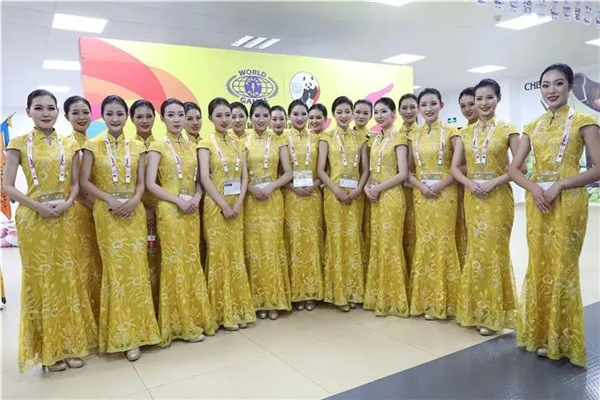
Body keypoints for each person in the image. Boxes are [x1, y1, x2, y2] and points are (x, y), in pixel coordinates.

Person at [508, 63, 600, 367]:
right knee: (539, 264)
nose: (551, 90)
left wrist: (561, 183)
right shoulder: (532, 126)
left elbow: (598, 168)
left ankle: (561, 339)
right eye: (545, 85)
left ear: (570, 87)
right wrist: (534, 189)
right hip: (538, 203)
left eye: (558, 84)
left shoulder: (585, 122)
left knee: (562, 266)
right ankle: (539, 334)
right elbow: (514, 169)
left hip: (568, 201)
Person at [4, 89, 98, 372]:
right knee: (42, 283)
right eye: (39, 108)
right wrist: (37, 206)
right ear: (28, 111)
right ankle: (49, 352)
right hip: (34, 219)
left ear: (58, 112)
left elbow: (75, 184)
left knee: (68, 279)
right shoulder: (18, 144)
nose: (45, 113)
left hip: (65, 217)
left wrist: (68, 202)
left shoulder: (69, 144)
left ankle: (70, 345)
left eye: (50, 108)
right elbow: (7, 186)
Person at [80, 95, 159, 362]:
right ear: (102, 116)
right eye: (110, 114)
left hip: (134, 213)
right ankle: (123, 336)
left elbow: (141, 182)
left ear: (127, 117)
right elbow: (84, 182)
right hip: (108, 213)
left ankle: (144, 332)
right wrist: (109, 200)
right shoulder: (92, 145)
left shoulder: (138, 147)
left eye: (120, 114)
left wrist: (136, 200)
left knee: (137, 270)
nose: (115, 119)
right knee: (116, 272)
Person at [451, 79, 520, 336]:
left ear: (498, 98)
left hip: (498, 197)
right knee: (477, 252)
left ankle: (494, 314)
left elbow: (520, 168)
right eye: (479, 99)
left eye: (489, 98)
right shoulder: (464, 134)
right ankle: (476, 310)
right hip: (474, 198)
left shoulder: (508, 130)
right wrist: (470, 184)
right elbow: (455, 168)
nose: (483, 103)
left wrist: (494, 182)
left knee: (494, 252)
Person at [146, 98, 216, 345]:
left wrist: (196, 197)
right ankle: (178, 324)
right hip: (170, 209)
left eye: (180, 115)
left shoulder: (192, 146)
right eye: (171, 115)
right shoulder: (156, 146)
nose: (176, 120)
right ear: (162, 118)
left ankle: (197, 317)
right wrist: (177, 200)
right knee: (174, 263)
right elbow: (151, 184)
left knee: (191, 261)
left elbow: (200, 180)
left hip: (191, 209)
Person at [198, 97, 255, 330]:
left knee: (235, 255)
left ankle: (239, 309)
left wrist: (239, 202)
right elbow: (205, 178)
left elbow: (244, 177)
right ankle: (221, 313)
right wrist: (223, 205)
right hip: (216, 206)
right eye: (219, 115)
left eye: (227, 115)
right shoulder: (204, 144)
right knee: (219, 255)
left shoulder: (239, 144)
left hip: (236, 205)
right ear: (210, 118)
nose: (224, 120)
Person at [407, 88, 461, 320]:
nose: (428, 109)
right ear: (419, 108)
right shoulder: (413, 136)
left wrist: (440, 185)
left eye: (433, 104)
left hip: (445, 194)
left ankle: (449, 302)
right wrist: (421, 187)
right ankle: (427, 300)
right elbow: (408, 171)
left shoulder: (452, 133)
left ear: (441, 105)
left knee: (444, 242)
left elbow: (460, 167)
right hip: (421, 195)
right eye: (424, 105)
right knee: (426, 242)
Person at [317, 96, 369, 312]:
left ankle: (354, 291)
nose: (344, 116)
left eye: (348, 111)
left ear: (353, 113)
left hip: (356, 195)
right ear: (333, 114)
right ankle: (338, 293)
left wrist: (358, 189)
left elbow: (365, 169)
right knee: (336, 239)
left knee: (353, 238)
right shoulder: (326, 138)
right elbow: (321, 170)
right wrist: (336, 190)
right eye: (339, 112)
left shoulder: (362, 138)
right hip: (334, 195)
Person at [244, 100, 293, 320]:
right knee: (255, 249)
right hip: (251, 200)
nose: (262, 120)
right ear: (251, 118)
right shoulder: (241, 142)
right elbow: (239, 174)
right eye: (257, 116)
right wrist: (251, 189)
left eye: (265, 116)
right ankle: (257, 301)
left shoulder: (279, 141)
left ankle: (274, 300)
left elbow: (288, 173)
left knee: (272, 247)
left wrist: (272, 186)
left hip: (273, 199)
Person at [363, 97, 409, 317]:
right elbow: (372, 170)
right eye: (377, 112)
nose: (379, 116)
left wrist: (379, 188)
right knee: (379, 244)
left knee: (391, 244)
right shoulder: (375, 139)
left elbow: (403, 173)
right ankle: (378, 296)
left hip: (391, 196)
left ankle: (394, 300)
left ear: (393, 115)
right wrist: (367, 187)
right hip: (375, 196)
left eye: (384, 111)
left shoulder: (399, 137)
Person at [63, 95, 103, 322]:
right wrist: (94, 206)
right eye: (75, 113)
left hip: (100, 211)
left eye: (85, 112)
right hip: (79, 211)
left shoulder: (95, 144)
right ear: (66, 116)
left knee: (98, 262)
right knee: (83, 263)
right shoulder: (66, 146)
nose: (81, 117)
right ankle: (85, 321)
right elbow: (72, 185)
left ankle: (99, 317)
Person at [283, 99, 324, 312]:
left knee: (312, 241)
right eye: (295, 114)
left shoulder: (318, 139)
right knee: (294, 241)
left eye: (303, 114)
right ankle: (296, 293)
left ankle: (312, 291)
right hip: (291, 196)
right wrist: (293, 187)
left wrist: (314, 186)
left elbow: (325, 168)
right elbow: (277, 170)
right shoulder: (281, 139)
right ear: (289, 117)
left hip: (313, 196)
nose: (300, 118)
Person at [130, 99, 161, 312]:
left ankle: (161, 307)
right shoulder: (129, 148)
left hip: (163, 208)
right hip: (135, 209)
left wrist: (157, 207)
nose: (144, 120)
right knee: (140, 257)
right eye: (139, 116)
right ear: (131, 119)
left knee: (161, 255)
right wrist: (143, 206)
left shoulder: (162, 145)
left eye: (149, 116)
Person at [398, 93, 419, 277]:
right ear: (398, 111)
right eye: (404, 108)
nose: (408, 111)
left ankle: (416, 276)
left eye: (412, 107)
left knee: (416, 231)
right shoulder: (395, 135)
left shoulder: (424, 133)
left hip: (418, 190)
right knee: (400, 232)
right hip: (396, 191)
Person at [353, 99, 374, 272]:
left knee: (368, 228)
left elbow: (375, 167)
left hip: (369, 189)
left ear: (371, 116)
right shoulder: (340, 136)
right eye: (358, 112)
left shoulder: (375, 137)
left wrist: (364, 187)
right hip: (348, 191)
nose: (361, 116)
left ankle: (367, 270)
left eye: (365, 113)